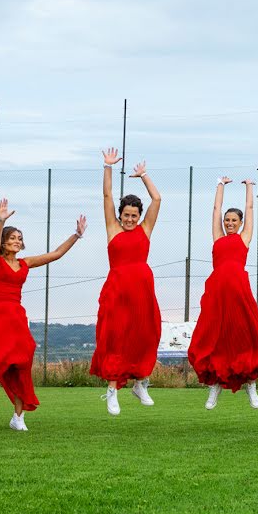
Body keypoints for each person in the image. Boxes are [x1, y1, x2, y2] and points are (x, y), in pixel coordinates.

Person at [0, 198, 86, 433]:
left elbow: (56, 254)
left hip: (16, 318)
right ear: (4, 243)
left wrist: (76, 236)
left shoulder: (25, 263)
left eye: (19, 238)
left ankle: (18, 417)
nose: (17, 241)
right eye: (12, 238)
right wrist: (0, 222)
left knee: (22, 363)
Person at [90, 148, 162, 415]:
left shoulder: (145, 229)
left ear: (139, 216)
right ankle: (112, 390)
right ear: (120, 215)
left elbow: (157, 198)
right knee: (116, 338)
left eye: (134, 215)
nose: (130, 219)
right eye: (126, 215)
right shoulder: (112, 228)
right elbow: (107, 196)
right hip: (117, 291)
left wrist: (143, 175)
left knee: (147, 334)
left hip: (143, 291)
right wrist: (107, 167)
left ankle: (140, 383)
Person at [188, 176, 258, 409]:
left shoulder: (244, 238)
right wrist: (220, 185)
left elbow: (250, 208)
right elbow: (215, 210)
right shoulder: (218, 238)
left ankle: (251, 384)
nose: (229, 223)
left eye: (234, 220)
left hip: (238, 290)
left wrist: (249, 187)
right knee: (214, 336)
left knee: (247, 333)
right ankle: (215, 386)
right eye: (227, 220)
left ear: (240, 222)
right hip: (217, 291)